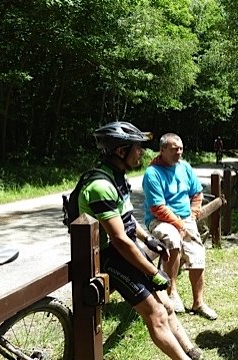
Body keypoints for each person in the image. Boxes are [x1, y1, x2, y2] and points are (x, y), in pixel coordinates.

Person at [80, 121, 202, 360]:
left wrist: (148, 238)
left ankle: (190, 350)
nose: (143, 152)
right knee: (155, 313)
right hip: (107, 256)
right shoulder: (100, 186)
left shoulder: (117, 178)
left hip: (125, 249)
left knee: (165, 303)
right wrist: (153, 272)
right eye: (137, 147)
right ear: (121, 151)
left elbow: (126, 220)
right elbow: (118, 239)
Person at [143, 133, 217, 321]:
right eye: (174, 149)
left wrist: (192, 214)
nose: (179, 152)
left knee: (197, 253)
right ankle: (171, 292)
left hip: (185, 219)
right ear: (162, 150)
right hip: (159, 220)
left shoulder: (184, 167)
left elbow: (197, 192)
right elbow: (157, 207)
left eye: (181, 148)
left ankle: (198, 302)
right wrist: (179, 224)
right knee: (172, 239)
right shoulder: (152, 173)